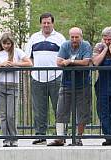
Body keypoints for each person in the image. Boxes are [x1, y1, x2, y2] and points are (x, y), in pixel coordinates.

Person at [24, 13, 66, 143]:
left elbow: (64, 56)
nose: (46, 25)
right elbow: (28, 56)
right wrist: (32, 70)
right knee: (39, 109)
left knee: (59, 108)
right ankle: (40, 135)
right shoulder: (33, 38)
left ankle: (62, 135)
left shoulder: (60, 38)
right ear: (41, 23)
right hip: (37, 78)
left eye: (48, 22)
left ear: (53, 23)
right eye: (44, 23)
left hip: (56, 77)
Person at [49, 28, 92, 146]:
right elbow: (58, 62)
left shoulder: (86, 45)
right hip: (66, 83)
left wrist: (70, 62)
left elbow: (86, 62)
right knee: (61, 110)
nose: (74, 39)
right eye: (72, 37)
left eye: (76, 37)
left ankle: (78, 137)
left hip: (82, 84)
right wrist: (72, 62)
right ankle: (60, 137)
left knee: (82, 112)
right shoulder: (65, 46)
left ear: (81, 37)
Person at [0, 31, 31, 147]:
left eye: (8, 44)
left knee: (11, 114)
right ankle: (6, 139)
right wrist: (2, 65)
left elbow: (29, 63)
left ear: (12, 43)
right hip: (1, 85)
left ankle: (14, 138)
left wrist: (15, 64)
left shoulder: (18, 52)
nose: (6, 46)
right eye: (4, 44)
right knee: (3, 115)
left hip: (13, 86)